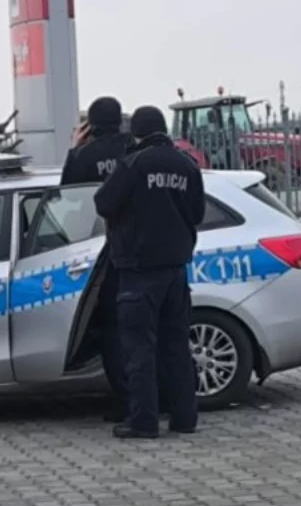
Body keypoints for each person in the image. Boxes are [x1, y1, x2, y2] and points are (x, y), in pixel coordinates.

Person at [93, 105, 204, 439]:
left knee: (139, 349)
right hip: (176, 271)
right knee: (177, 347)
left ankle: (143, 421)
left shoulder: (133, 164)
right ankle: (185, 418)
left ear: (137, 132)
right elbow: (197, 213)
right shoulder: (187, 166)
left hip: (138, 272)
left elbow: (103, 203)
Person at [60, 97, 133, 423]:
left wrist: (74, 149)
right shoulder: (134, 149)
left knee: (112, 330)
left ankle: (125, 400)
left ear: (90, 124)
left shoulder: (85, 156)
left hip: (99, 251)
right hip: (140, 248)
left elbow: (66, 194)